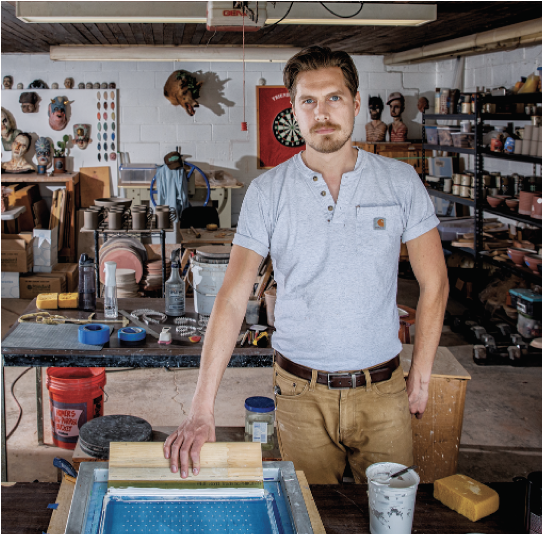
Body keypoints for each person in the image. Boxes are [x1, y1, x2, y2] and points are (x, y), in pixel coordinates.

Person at [164, 46, 448, 484]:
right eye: (308, 101)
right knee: (308, 517)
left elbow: (435, 285)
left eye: (334, 98)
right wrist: (202, 408)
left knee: (389, 516)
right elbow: (232, 297)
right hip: (299, 394)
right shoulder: (268, 192)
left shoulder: (400, 182)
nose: (322, 113)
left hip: (384, 393)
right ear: (294, 110)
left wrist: (422, 379)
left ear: (355, 104)